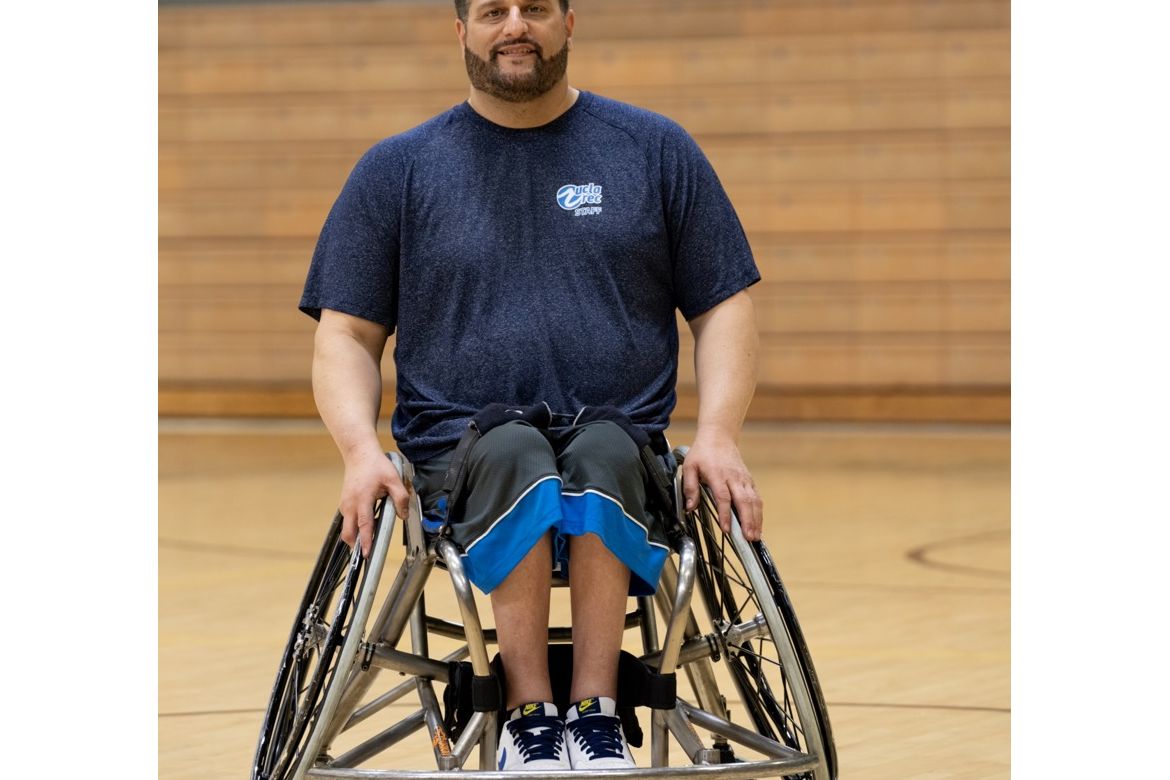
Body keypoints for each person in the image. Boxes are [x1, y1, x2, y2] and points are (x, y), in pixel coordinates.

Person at [300, 0, 764, 771]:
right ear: (461, 33)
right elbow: (345, 333)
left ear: (569, 23)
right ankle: (527, 719)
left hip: (621, 447)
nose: (516, 25)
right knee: (516, 447)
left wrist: (718, 435)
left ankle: (595, 712)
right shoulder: (397, 169)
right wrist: (358, 449)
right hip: (461, 452)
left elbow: (724, 306)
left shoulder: (653, 150)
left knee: (609, 448)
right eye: (493, 10)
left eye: (536, 7)